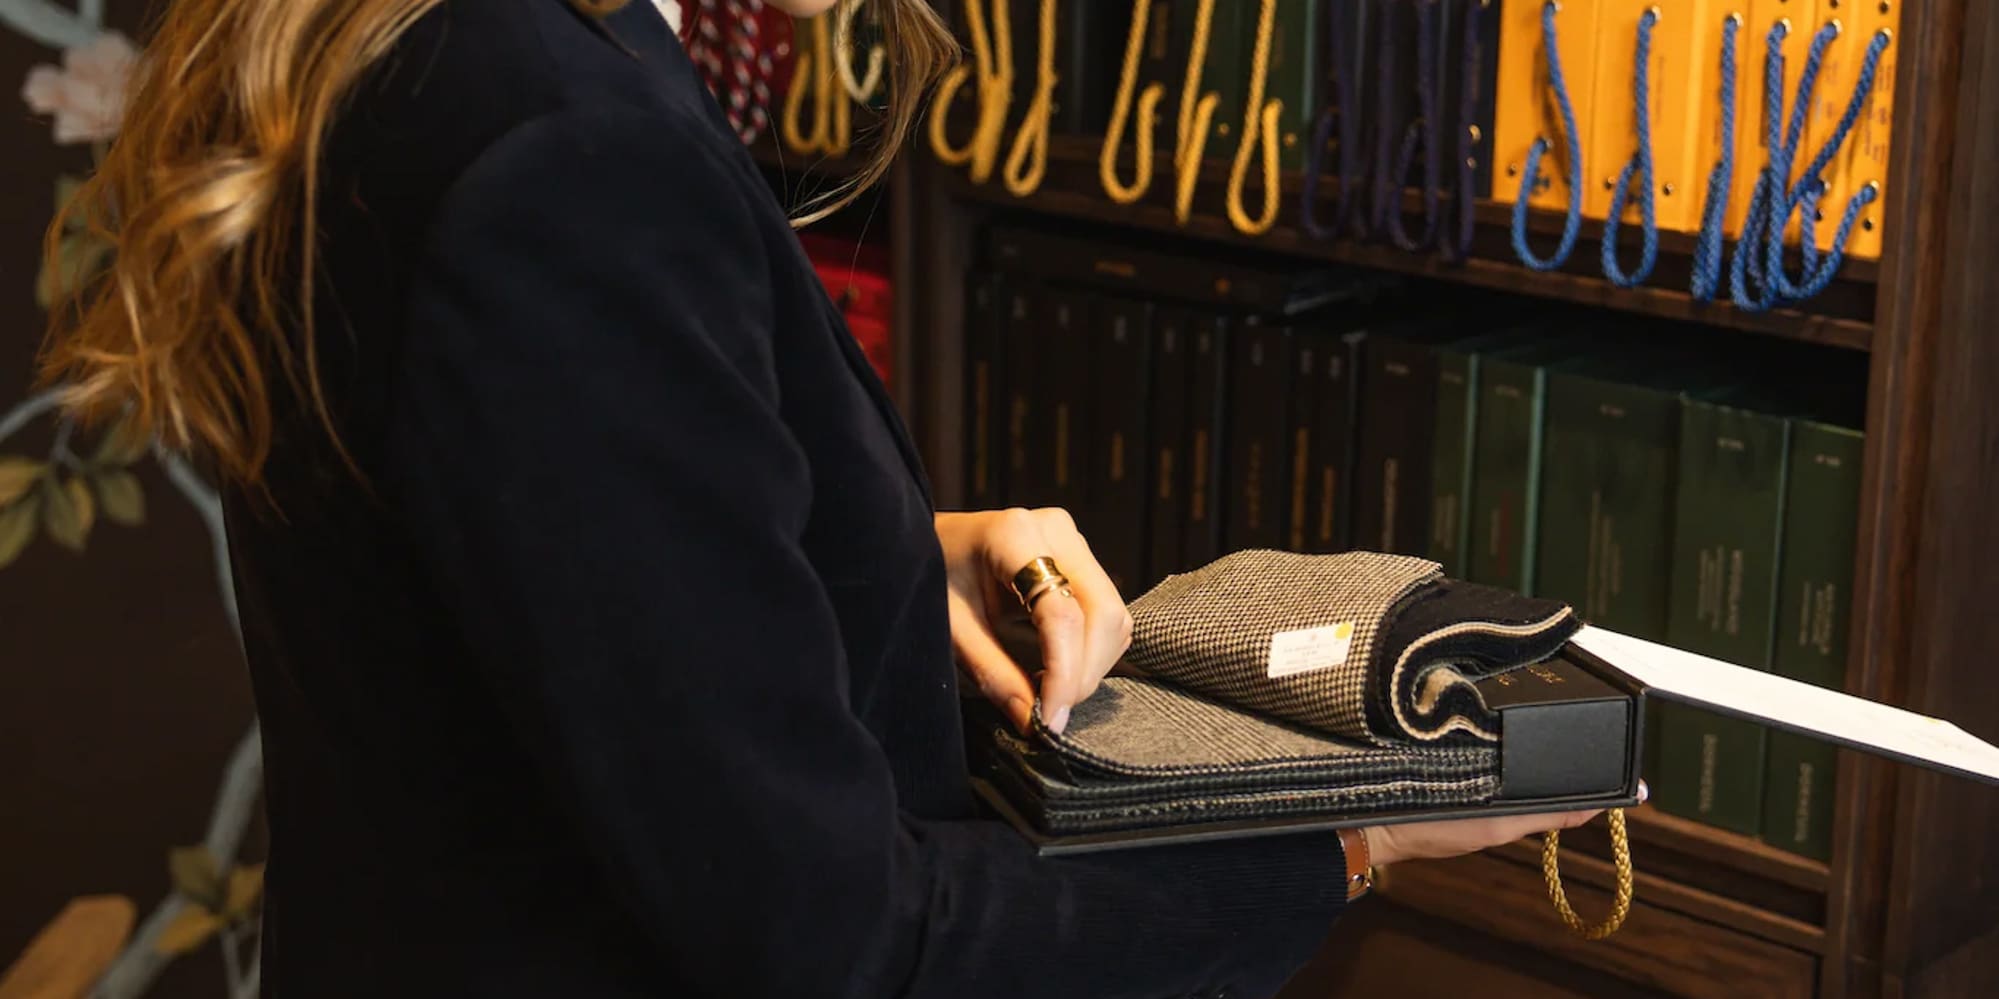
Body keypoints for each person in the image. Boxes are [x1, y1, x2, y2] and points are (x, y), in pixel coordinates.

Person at [39, 1, 1616, 995]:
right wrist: (1342, 843)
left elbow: (490, 553)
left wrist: (862, 546)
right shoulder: (565, 150)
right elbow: (837, 949)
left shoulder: (418, 55)